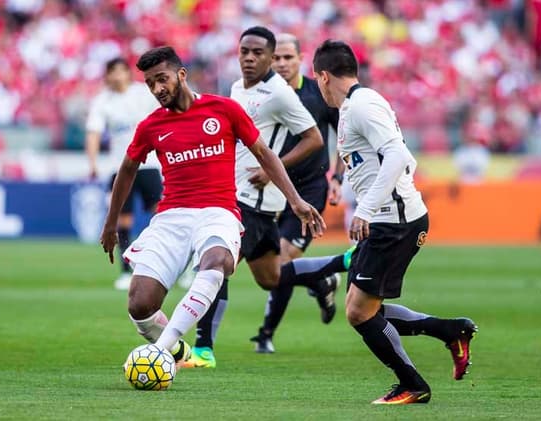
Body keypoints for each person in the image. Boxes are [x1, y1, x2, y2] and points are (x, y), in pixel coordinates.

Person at [99, 46, 325, 368]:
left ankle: (160, 352)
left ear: (181, 74)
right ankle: (178, 353)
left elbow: (264, 153)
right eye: (150, 84)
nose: (157, 89)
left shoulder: (224, 109)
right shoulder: (151, 126)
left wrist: (296, 200)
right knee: (139, 304)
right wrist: (110, 225)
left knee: (217, 261)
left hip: (218, 211)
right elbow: (127, 169)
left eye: (162, 80)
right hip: (172, 216)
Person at [312, 40, 477, 405]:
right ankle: (451, 331)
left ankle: (413, 385)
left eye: (317, 80)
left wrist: (366, 210)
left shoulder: (362, 106)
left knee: (358, 312)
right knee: (364, 307)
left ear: (323, 77)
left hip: (393, 222)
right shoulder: (357, 106)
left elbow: (399, 155)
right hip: (391, 220)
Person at [184, 27, 336, 368]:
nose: (250, 59)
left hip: (249, 199)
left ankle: (203, 350)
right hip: (250, 199)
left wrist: (273, 167)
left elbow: (313, 138)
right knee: (271, 277)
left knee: (215, 267)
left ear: (269, 57)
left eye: (258, 53)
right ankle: (331, 270)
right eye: (244, 52)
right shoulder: (238, 87)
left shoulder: (280, 94)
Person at [249, 33, 353, 353]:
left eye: (287, 58)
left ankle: (266, 333)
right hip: (268, 191)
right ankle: (318, 280)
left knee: (279, 264)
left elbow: (345, 134)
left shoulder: (317, 95)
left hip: (307, 190)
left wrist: (336, 176)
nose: (281, 64)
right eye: (276, 58)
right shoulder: (259, 94)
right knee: (272, 268)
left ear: (300, 59)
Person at [86, 57, 161, 290]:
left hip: (149, 164)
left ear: (129, 74)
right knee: (123, 219)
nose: (117, 76)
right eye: (113, 71)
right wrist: (93, 162)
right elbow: (94, 133)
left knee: (162, 215)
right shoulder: (102, 101)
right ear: (107, 76)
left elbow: (164, 119)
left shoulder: (144, 94)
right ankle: (126, 271)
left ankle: (173, 266)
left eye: (121, 71)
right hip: (119, 167)